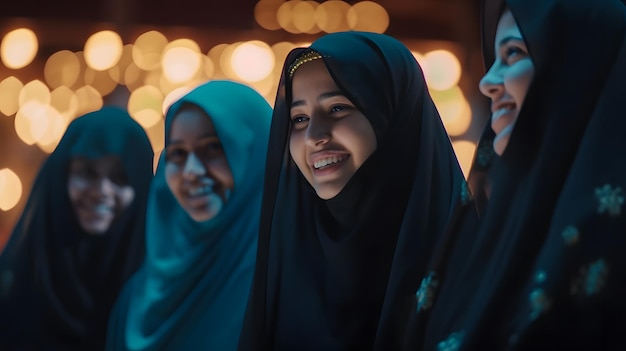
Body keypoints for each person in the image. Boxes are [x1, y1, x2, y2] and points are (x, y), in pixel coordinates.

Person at [412, 0, 626, 349]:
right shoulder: (486, 231)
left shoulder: (610, 242)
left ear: (577, 67)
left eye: (513, 54)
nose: (487, 82)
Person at [238, 31, 466, 350]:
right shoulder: (286, 261)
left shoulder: (465, 262)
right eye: (299, 118)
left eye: (337, 108)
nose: (313, 136)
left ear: (396, 117)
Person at [106, 80, 272, 350]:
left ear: (260, 155)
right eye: (178, 153)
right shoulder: (139, 294)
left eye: (213, 148)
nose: (192, 171)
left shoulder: (284, 285)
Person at [0, 106, 154, 350]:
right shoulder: (13, 285)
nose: (101, 192)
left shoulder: (157, 300)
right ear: (60, 177)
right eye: (86, 172)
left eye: (120, 177)